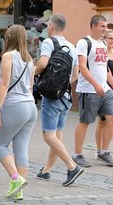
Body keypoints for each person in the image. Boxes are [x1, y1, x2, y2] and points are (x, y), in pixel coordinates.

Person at [34, 14, 84, 185]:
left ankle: (72, 166)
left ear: (51, 27)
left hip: (52, 97)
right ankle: (46, 170)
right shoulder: (72, 46)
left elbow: (42, 65)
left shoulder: (49, 42)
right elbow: (76, 75)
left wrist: (29, 74)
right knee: (57, 135)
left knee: (48, 136)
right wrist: (62, 86)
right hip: (67, 97)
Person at [0, 24, 37, 201]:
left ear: (9, 38)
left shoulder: (8, 56)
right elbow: (31, 86)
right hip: (30, 107)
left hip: (14, 105)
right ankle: (19, 190)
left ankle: (16, 179)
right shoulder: (30, 59)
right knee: (21, 147)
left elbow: (4, 84)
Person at [73, 15, 113, 168]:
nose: (105, 29)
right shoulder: (84, 42)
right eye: (102, 26)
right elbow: (82, 66)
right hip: (88, 90)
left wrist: (109, 84)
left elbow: (105, 68)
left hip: (105, 90)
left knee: (111, 119)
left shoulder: (103, 43)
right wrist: (95, 84)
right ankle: (77, 154)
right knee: (85, 122)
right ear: (94, 26)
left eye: (106, 26)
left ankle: (104, 151)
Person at [92, 29, 113, 166]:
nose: (112, 41)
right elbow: (106, 74)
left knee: (106, 122)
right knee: (103, 121)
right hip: (106, 90)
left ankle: (103, 150)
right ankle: (101, 150)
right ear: (104, 39)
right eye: (110, 38)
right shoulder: (103, 52)